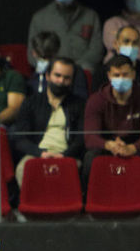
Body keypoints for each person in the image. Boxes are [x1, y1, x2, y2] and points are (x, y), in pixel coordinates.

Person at [82, 54, 140, 191]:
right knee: (90, 157)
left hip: (136, 145)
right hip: (108, 145)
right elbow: (90, 138)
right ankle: (88, 197)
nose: (121, 79)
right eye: (116, 75)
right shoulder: (96, 100)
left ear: (133, 74)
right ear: (109, 76)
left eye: (125, 74)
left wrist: (132, 148)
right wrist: (109, 145)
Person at [12, 57, 86, 185]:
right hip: (37, 153)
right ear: (47, 75)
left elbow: (82, 139)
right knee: (22, 169)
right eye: (57, 75)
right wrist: (41, 153)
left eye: (66, 78)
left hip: (68, 156)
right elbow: (20, 139)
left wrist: (65, 155)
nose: (61, 81)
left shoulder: (80, 105)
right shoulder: (31, 102)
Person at [27, 0, 103, 74]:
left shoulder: (91, 16)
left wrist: (74, 69)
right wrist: (56, 69)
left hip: (83, 74)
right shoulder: (40, 18)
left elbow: (97, 50)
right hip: (51, 76)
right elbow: (32, 54)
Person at [27, 31, 89, 98]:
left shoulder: (74, 71)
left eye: (49, 57)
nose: (45, 62)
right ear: (34, 53)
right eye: (41, 57)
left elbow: (81, 100)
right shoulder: (34, 77)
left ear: (57, 52)